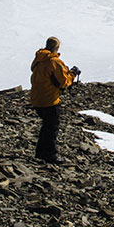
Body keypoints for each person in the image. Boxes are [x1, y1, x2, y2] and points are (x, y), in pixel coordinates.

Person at [30, 36, 80, 164]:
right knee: (52, 127)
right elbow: (64, 83)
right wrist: (73, 73)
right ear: (56, 48)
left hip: (37, 99)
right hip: (50, 100)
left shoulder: (38, 59)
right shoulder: (55, 62)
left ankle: (40, 152)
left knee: (46, 126)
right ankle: (50, 155)